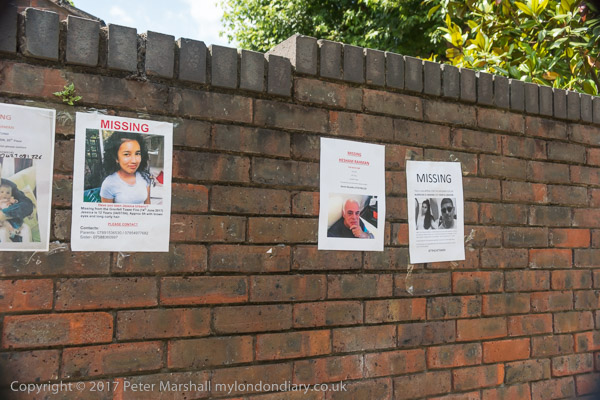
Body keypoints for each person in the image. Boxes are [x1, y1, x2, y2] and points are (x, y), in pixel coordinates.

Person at [100, 132, 152, 204]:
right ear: (116, 158)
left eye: (137, 153)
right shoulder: (109, 184)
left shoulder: (144, 177)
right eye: (127, 154)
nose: (134, 161)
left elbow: (148, 205)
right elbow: (107, 211)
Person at [0, 158, 34, 243]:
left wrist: (5, 213)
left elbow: (27, 204)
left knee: (26, 229)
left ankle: (28, 250)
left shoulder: (8, 185)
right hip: (2, 227)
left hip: (12, 222)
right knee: (3, 232)